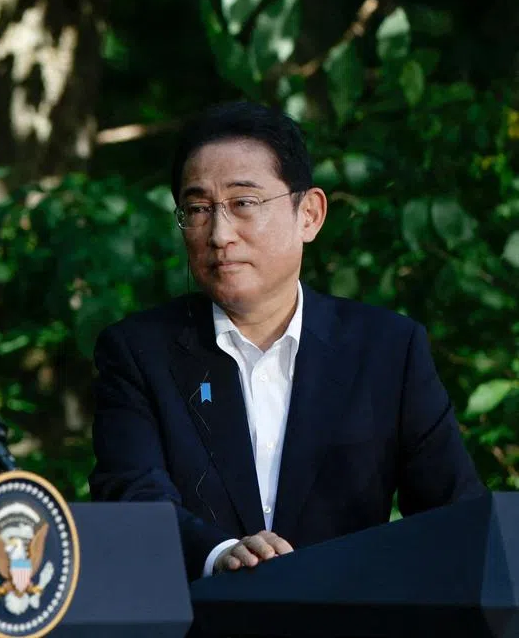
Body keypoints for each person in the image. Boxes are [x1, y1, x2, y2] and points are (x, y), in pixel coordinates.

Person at [89, 100, 483, 581]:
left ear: (309, 215)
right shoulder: (138, 352)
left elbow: (455, 518)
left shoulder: (387, 350)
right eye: (197, 209)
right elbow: (133, 495)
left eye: (243, 204)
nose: (219, 234)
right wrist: (220, 555)